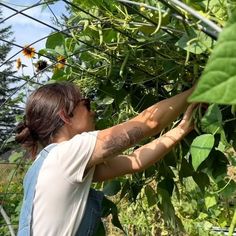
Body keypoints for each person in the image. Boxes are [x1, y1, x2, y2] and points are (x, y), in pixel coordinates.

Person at [16, 82, 196, 236]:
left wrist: (182, 129)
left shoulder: (48, 165)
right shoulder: (66, 154)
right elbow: (149, 122)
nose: (92, 112)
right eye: (86, 104)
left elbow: (134, 162)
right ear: (64, 116)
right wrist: (197, 90)